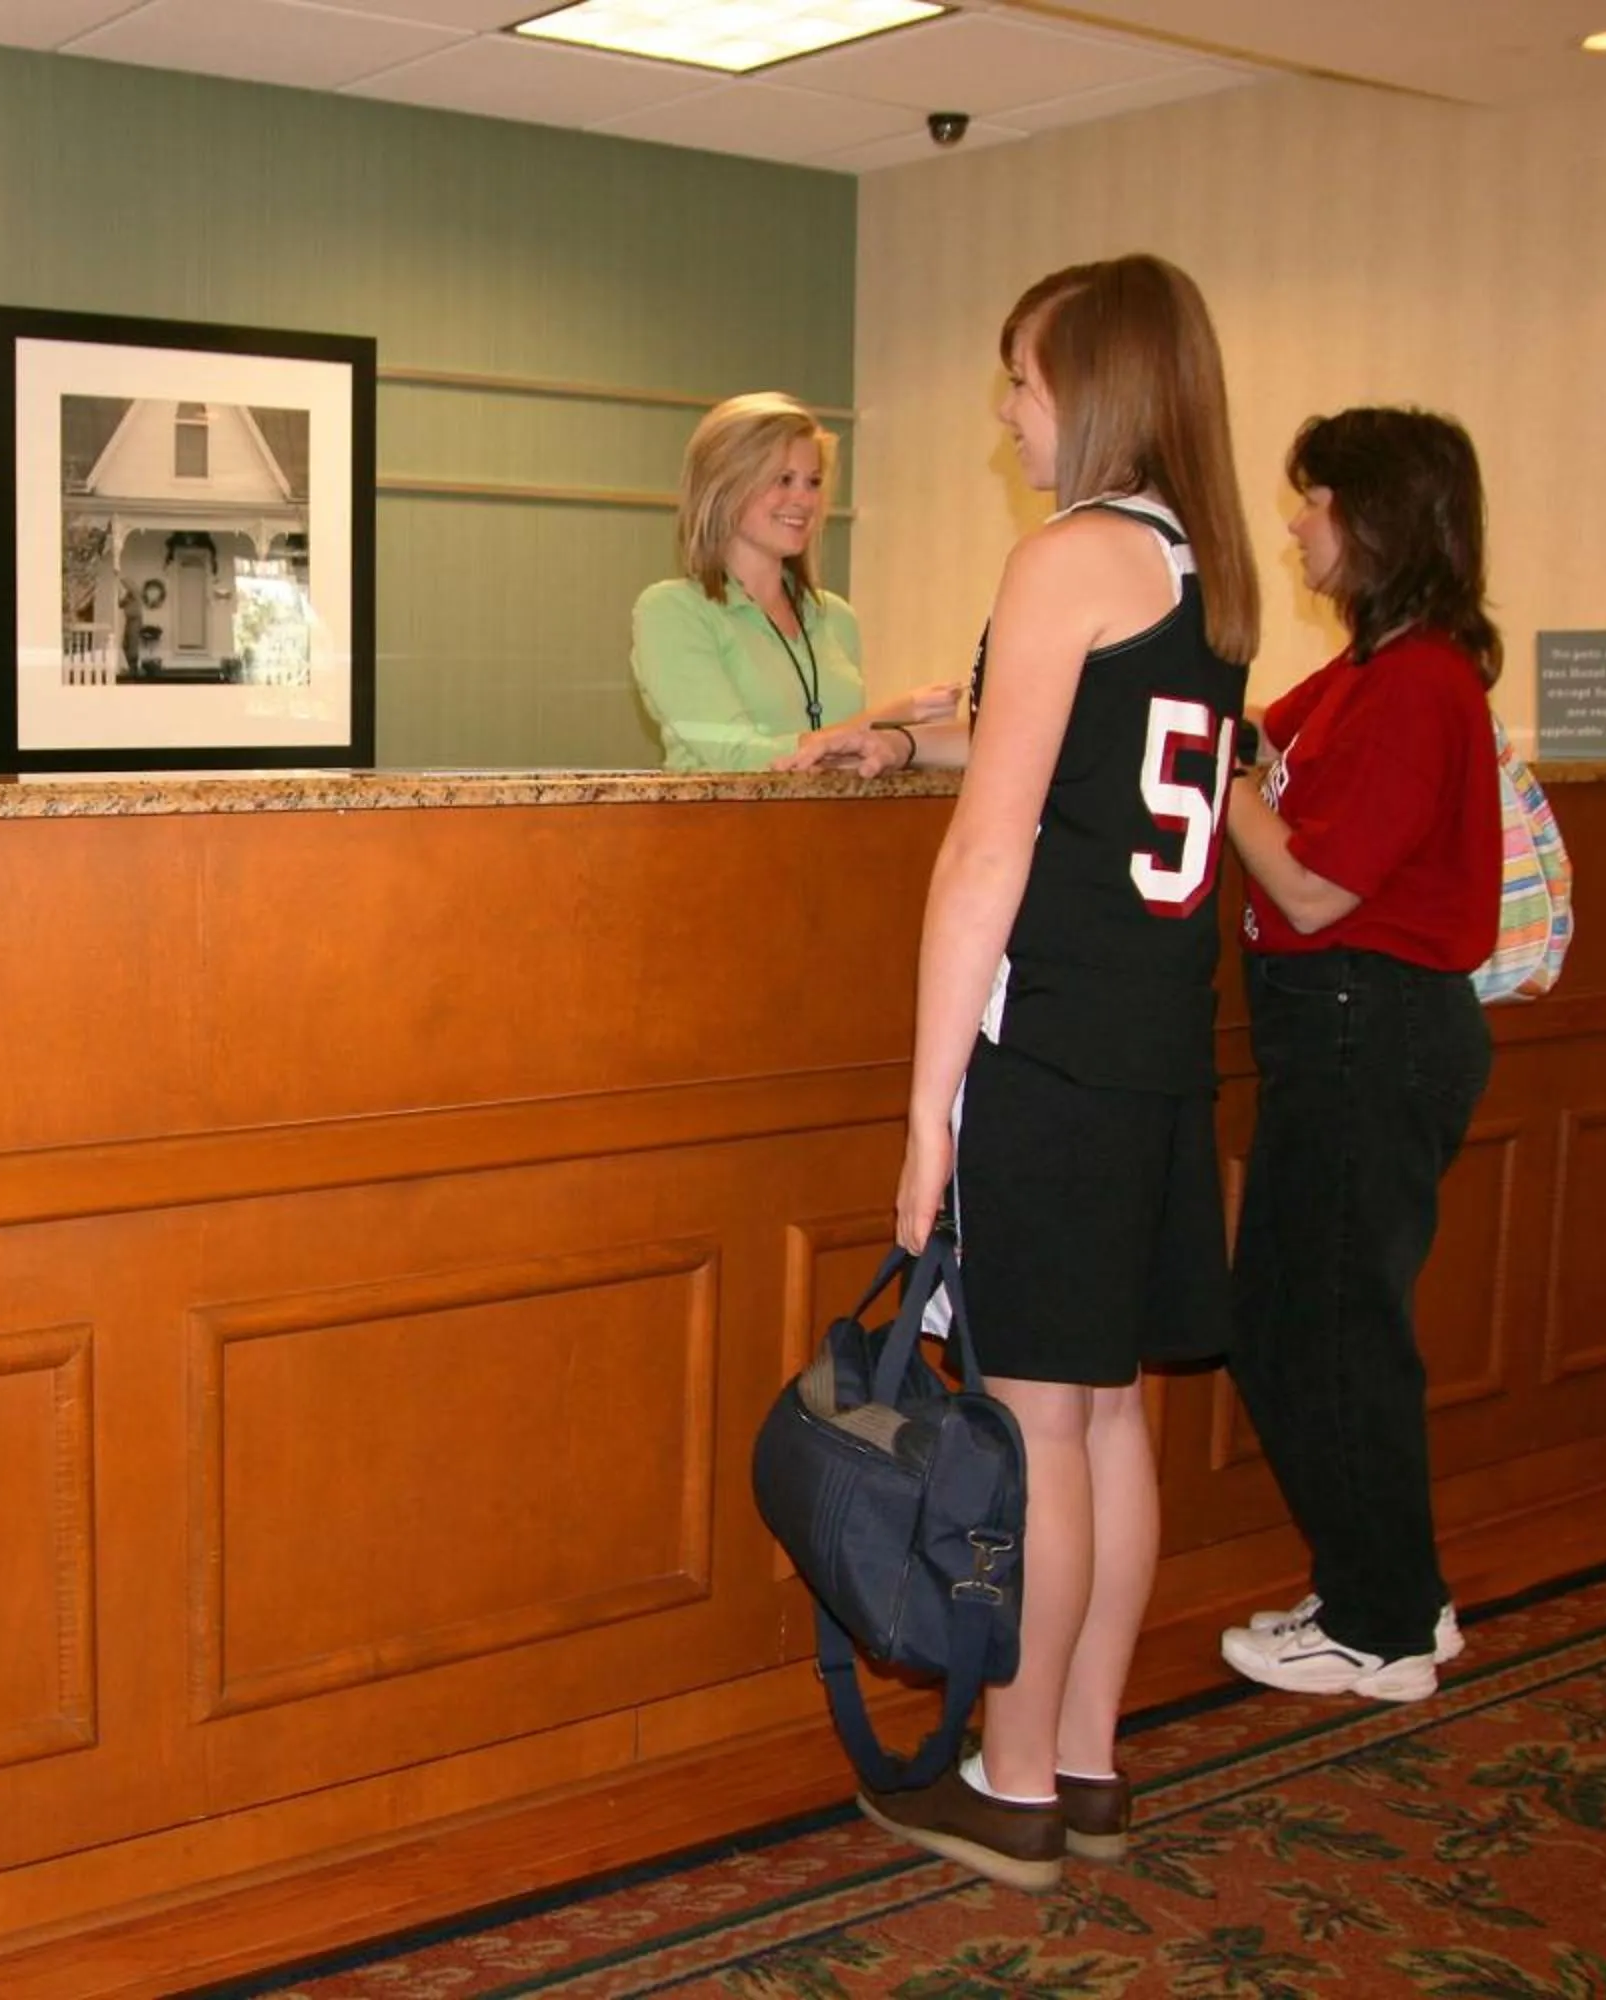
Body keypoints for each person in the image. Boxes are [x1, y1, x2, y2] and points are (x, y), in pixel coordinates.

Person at [862, 255, 1257, 1893]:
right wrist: (909, 730)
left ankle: (1008, 1783)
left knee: (1030, 1429)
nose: (1008, 411)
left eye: (1022, 379)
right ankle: (1086, 1760)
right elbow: (1085, 753)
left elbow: (990, 852)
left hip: (1052, 1058)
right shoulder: (1197, 564)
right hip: (1160, 1047)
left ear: (1093, 385)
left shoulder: (1066, 554)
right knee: (1106, 1421)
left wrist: (923, 1112)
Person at [1214, 409, 1503, 1703]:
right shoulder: (1368, 671)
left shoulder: (1421, 680)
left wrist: (1221, 794)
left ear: (1376, 520)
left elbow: (1319, 886)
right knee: (1309, 1323)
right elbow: (1262, 732)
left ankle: (1380, 1626)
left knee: (1318, 1335)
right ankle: (1395, 1594)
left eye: (1314, 502)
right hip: (1347, 1034)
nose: (1295, 524)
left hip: (1367, 1030)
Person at [631, 392, 956, 770]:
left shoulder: (835, 616)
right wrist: (891, 718)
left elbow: (845, 763)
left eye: (813, 482)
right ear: (724, 486)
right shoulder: (671, 612)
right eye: (783, 480)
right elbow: (735, 757)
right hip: (719, 829)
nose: (804, 499)